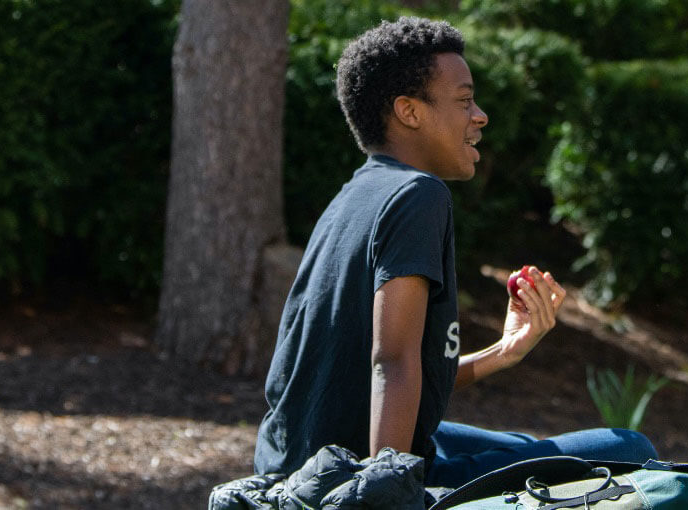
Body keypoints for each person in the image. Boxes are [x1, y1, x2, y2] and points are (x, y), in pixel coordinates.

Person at [252, 16, 659, 489]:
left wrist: (503, 352)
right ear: (409, 111)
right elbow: (392, 360)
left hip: (302, 462)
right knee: (631, 451)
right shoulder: (418, 195)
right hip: (351, 478)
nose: (480, 115)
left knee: (524, 447)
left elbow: (362, 377)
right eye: (464, 101)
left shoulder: (355, 194)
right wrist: (385, 494)